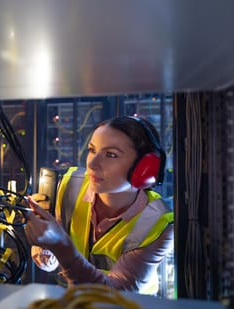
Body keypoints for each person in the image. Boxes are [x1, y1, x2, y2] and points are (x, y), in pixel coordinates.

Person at [24, 115, 174, 295]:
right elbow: (48, 264)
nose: (92, 164)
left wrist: (61, 246)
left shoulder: (158, 224)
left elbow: (116, 294)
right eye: (92, 150)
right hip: (74, 304)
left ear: (144, 170)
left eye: (111, 155)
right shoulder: (68, 185)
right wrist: (44, 243)